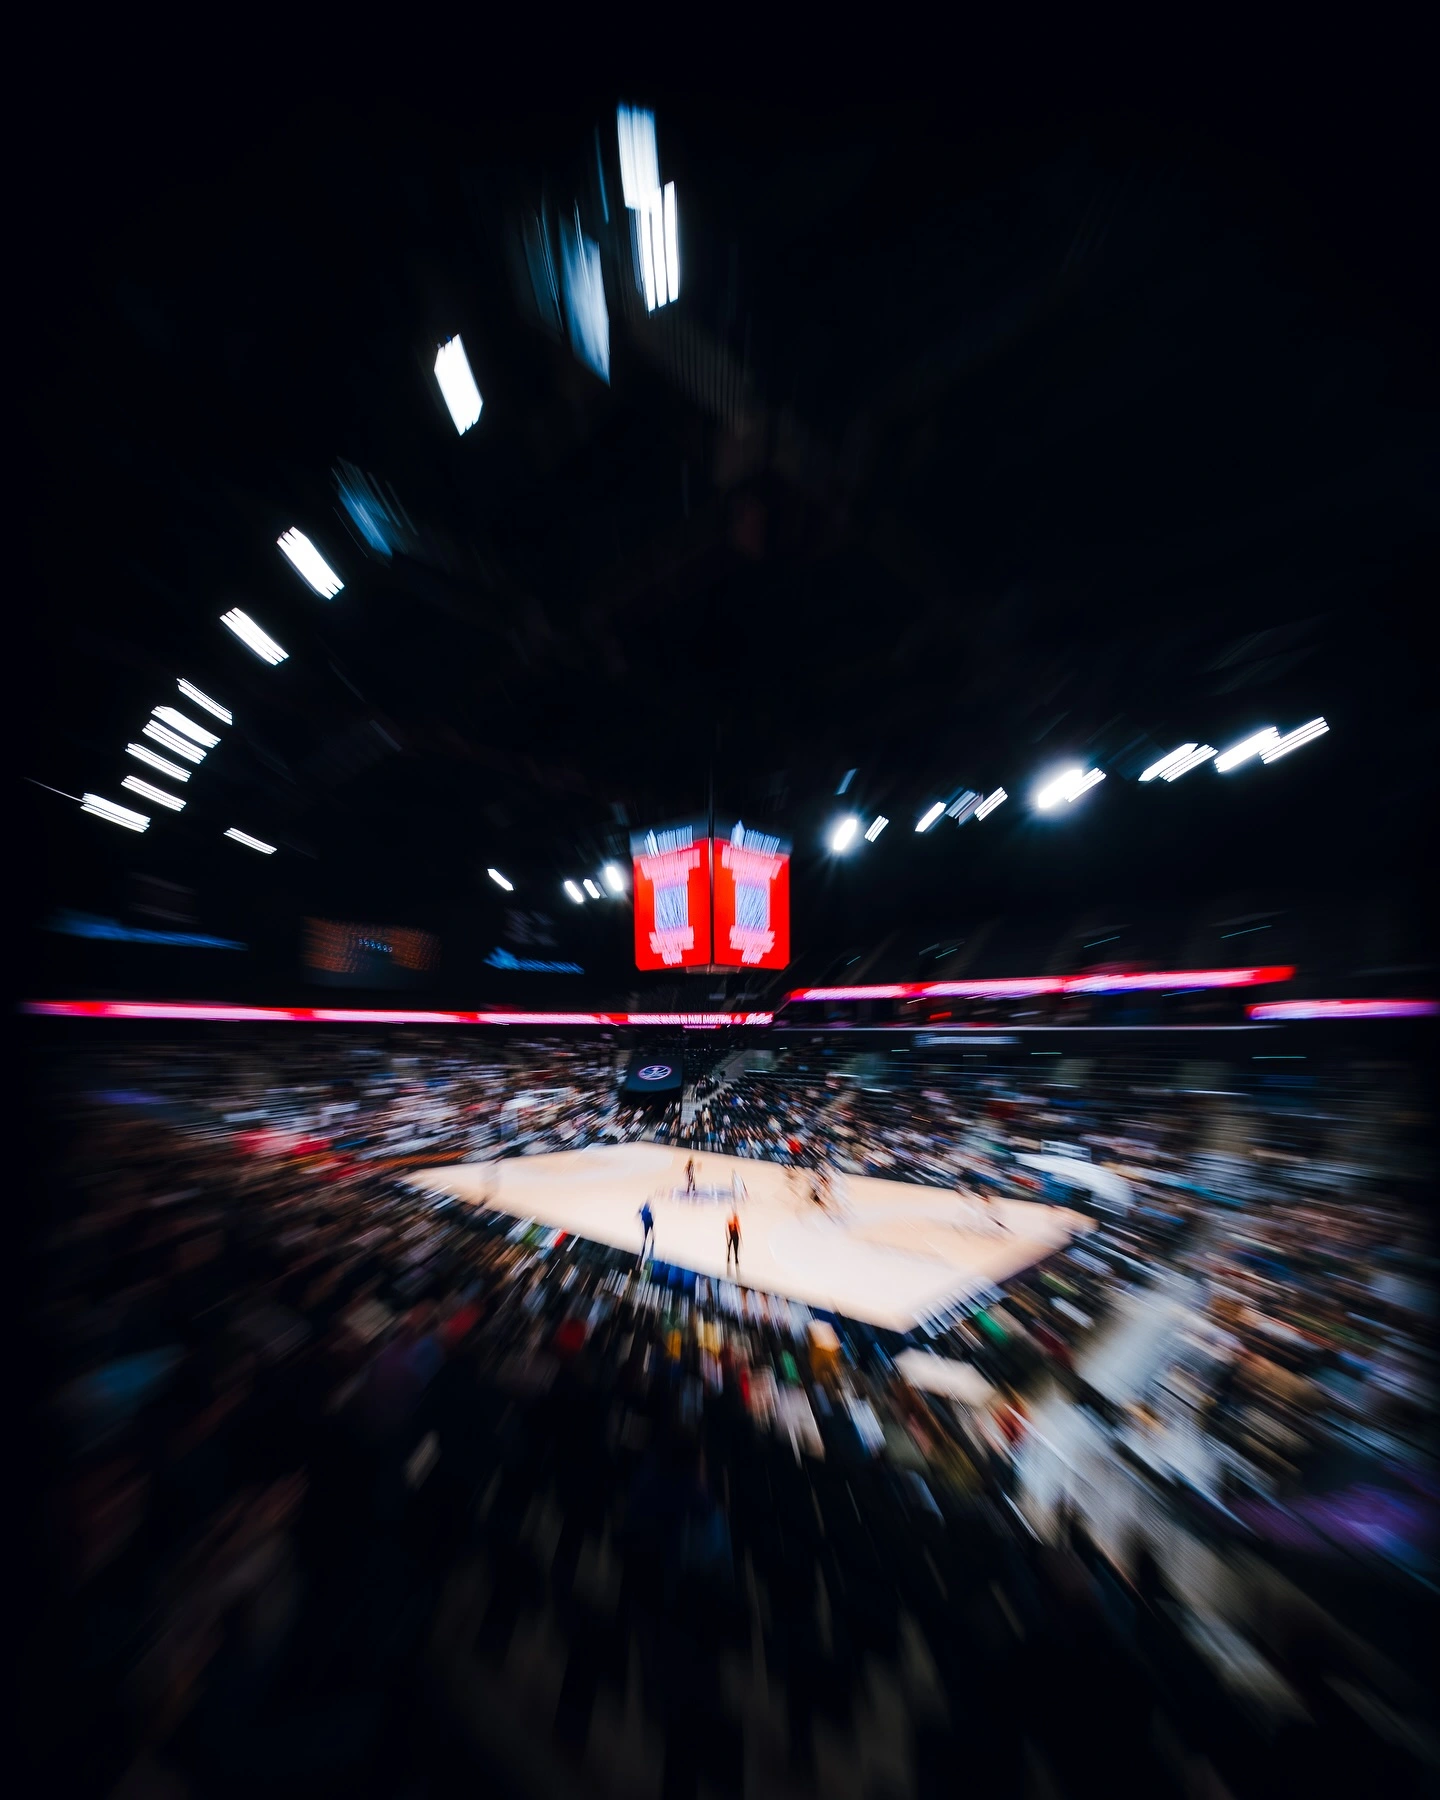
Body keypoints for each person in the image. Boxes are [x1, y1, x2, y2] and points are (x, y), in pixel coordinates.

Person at [638, 1201, 655, 1265]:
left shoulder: (644, 1211)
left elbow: (639, 1213)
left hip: (646, 1223)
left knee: (646, 1231)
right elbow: (652, 1216)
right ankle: (652, 1238)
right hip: (649, 1222)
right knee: (651, 1231)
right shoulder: (648, 1211)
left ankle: (647, 1239)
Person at [725, 1208, 741, 1273]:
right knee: (732, 1247)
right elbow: (728, 1231)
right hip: (733, 1236)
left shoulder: (733, 1222)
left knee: (734, 1248)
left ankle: (734, 1258)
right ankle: (731, 1257)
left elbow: (738, 1229)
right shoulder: (731, 1222)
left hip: (734, 1236)